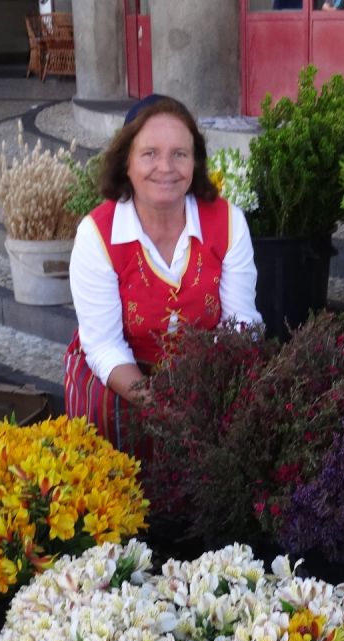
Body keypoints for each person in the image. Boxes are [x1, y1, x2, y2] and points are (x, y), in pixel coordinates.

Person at [64, 95, 261, 451]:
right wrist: (156, 403)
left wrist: (202, 390)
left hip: (206, 373)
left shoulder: (229, 223)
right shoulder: (97, 235)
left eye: (179, 154)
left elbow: (241, 323)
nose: (166, 167)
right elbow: (104, 344)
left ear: (195, 162)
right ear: (126, 162)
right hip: (124, 374)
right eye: (149, 153)